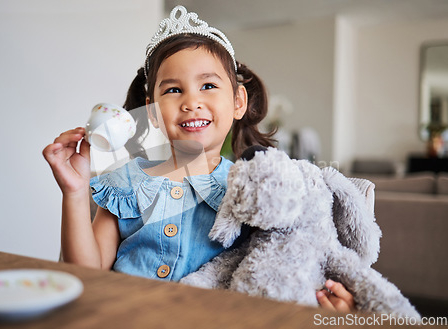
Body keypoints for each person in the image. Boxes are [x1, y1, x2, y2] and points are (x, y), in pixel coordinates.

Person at [43, 5, 355, 312]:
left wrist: (322, 302)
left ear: (237, 101)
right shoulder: (125, 183)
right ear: (151, 111)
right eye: (173, 90)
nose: (192, 102)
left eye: (208, 86)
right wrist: (74, 191)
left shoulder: (255, 190)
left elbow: (284, 262)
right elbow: (87, 276)